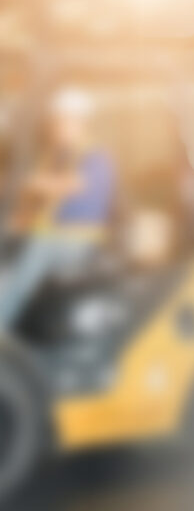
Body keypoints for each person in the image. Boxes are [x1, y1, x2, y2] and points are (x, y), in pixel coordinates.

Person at [0, 87, 114, 331]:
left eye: (61, 121)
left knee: (21, 272)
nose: (56, 128)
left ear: (78, 122)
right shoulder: (59, 156)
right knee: (9, 245)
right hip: (54, 233)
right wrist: (20, 220)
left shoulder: (95, 155)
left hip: (74, 239)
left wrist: (25, 181)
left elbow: (69, 186)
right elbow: (47, 205)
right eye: (55, 121)